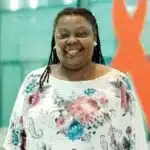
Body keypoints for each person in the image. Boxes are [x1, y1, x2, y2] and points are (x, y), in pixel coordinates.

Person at [3, 7, 148, 150]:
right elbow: (14, 142)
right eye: (64, 35)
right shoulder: (34, 81)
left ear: (94, 38)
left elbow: (137, 142)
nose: (72, 40)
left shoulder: (117, 83)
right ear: (55, 41)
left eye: (81, 34)